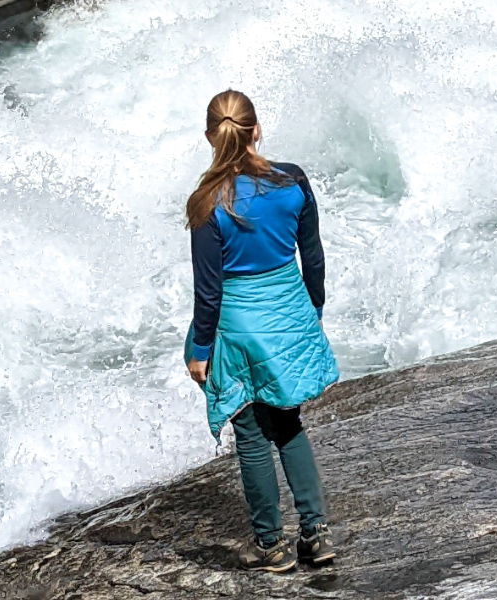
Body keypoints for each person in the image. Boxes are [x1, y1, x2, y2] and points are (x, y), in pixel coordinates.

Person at [185, 89, 341, 573]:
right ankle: (315, 536)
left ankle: (269, 544)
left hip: (239, 323)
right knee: (288, 421)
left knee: (251, 433)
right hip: (287, 311)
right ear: (257, 129)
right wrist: (311, 310)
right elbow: (311, 254)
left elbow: (208, 293)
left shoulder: (207, 203)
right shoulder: (292, 181)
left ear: (211, 137)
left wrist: (199, 348)